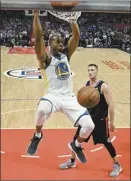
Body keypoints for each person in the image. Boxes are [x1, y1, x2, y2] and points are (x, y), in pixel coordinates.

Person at [26, 10, 95, 163]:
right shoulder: (44, 58)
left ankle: (76, 145)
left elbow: (76, 37)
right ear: (50, 44)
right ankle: (38, 135)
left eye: (62, 41)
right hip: (53, 96)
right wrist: (36, 15)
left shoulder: (66, 55)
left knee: (89, 126)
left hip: (69, 97)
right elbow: (38, 37)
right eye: (58, 41)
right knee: (42, 109)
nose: (62, 43)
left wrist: (73, 22)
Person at [59, 64, 122, 177]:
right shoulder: (86, 85)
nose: (90, 72)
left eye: (92, 70)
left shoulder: (103, 86)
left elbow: (111, 105)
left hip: (100, 120)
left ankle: (117, 165)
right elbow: (83, 103)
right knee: (76, 140)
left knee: (107, 143)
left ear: (97, 71)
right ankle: (72, 161)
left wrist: (112, 122)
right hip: (87, 119)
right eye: (88, 70)